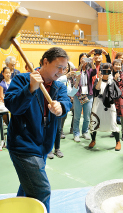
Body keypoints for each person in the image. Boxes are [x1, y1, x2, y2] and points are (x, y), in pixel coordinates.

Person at [5, 47, 72, 212]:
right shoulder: (22, 80)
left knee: (28, 187)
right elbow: (13, 106)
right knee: (41, 190)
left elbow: (66, 102)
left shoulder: (58, 87)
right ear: (45, 62)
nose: (62, 72)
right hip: (24, 146)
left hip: (43, 146)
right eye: (58, 67)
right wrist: (30, 89)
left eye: (64, 68)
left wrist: (61, 106)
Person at [48, 62, 81, 159]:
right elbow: (58, 81)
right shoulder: (55, 77)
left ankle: (57, 148)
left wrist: (77, 81)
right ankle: (49, 149)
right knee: (49, 128)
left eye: (66, 68)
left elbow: (71, 92)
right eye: (62, 68)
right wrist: (66, 76)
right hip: (51, 105)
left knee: (58, 129)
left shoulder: (67, 81)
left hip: (60, 107)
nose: (64, 70)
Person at [88, 63, 122, 151]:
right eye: (104, 70)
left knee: (112, 122)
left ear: (111, 71)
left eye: (108, 70)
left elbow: (117, 93)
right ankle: (93, 140)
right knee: (94, 121)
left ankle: (118, 141)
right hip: (98, 104)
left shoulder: (112, 82)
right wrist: (99, 78)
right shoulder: (97, 80)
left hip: (109, 105)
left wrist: (112, 80)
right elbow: (96, 90)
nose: (106, 72)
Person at [73, 53, 97, 142]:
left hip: (88, 95)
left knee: (87, 116)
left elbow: (95, 72)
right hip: (78, 95)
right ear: (80, 60)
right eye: (83, 59)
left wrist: (92, 62)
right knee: (77, 116)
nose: (84, 61)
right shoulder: (76, 69)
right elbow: (76, 75)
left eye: (86, 59)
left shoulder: (90, 70)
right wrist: (80, 65)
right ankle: (76, 133)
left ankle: (85, 132)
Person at [112, 59, 123, 141]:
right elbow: (109, 86)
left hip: (121, 97)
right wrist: (114, 79)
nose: (118, 66)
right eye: (116, 64)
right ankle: (114, 131)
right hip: (112, 97)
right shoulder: (109, 75)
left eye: (119, 65)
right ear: (113, 65)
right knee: (112, 115)